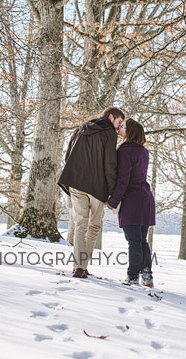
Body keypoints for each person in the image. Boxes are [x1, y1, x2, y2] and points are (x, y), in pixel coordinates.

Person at [57, 107, 125, 278]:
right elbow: (110, 164)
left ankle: (79, 267)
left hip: (76, 183)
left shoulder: (81, 128)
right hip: (97, 187)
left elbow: (68, 155)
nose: (119, 127)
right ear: (111, 117)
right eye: (118, 122)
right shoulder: (109, 134)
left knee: (80, 225)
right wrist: (112, 191)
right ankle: (82, 266)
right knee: (93, 226)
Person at [107, 118, 155, 287]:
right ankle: (147, 276)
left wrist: (113, 201)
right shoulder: (143, 151)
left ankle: (133, 276)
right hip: (146, 199)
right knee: (142, 241)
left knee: (134, 242)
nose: (120, 128)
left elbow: (123, 180)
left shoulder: (126, 151)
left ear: (130, 132)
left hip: (133, 200)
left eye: (124, 126)